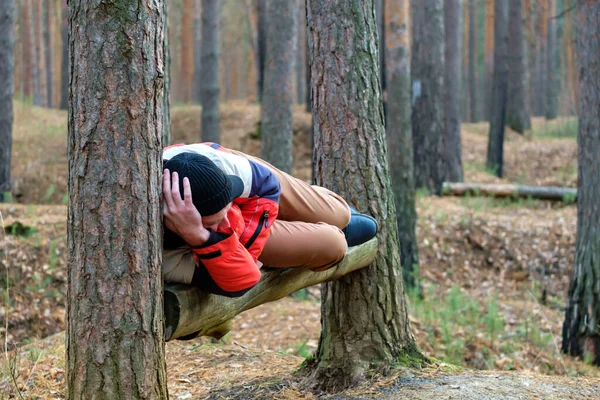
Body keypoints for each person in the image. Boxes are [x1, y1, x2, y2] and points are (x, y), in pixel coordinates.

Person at [162, 142, 377, 297]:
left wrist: (247, 250)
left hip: (252, 186)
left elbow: (266, 184)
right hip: (217, 242)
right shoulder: (165, 256)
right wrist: (200, 238)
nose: (223, 224)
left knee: (340, 213)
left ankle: (335, 218)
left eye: (223, 214)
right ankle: (335, 230)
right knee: (334, 245)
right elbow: (241, 281)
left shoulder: (210, 164)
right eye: (211, 225)